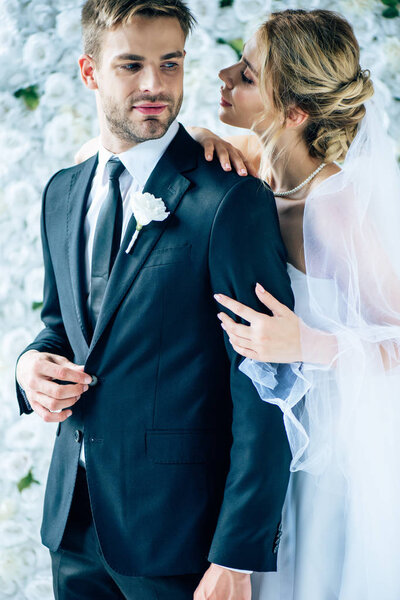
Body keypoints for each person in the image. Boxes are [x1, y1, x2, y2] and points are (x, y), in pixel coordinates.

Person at [14, 1, 295, 599]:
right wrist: (29, 366)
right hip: (73, 525)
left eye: (171, 64)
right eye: (132, 65)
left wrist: (236, 556)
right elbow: (59, 327)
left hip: (181, 540)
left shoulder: (229, 198)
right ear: (89, 72)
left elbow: (266, 381)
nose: (155, 85)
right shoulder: (61, 194)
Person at [184, 8, 400, 600]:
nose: (224, 75)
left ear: (295, 113)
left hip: (326, 462)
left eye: (248, 76)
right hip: (259, 451)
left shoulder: (333, 206)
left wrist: (309, 344)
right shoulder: (258, 181)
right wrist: (202, 140)